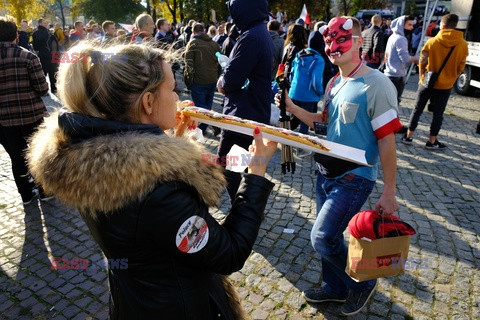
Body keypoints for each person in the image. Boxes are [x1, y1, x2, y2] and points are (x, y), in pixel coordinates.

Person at [27, 41, 277, 319]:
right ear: (148, 102)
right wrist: (255, 173)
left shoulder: (85, 151)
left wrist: (172, 140)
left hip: (134, 302)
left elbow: (147, 229)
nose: (178, 96)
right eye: (172, 89)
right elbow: (229, 252)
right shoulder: (160, 193)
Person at [277, 17, 401, 316]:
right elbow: (323, 123)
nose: (333, 46)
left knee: (320, 236)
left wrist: (390, 191)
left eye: (341, 39)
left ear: (359, 42)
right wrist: (293, 108)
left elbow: (386, 141)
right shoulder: (335, 82)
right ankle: (334, 288)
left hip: (355, 177)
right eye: (329, 40)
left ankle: (360, 283)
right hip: (325, 174)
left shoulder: (377, 84)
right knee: (329, 238)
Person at [217, 0, 274, 202]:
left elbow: (231, 80)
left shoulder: (251, 37)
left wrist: (222, 81)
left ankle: (244, 214)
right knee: (237, 170)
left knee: (230, 170)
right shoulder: (259, 32)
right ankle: (245, 212)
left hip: (240, 118)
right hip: (248, 114)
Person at [0, 16, 50, 204]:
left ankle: (26, 195)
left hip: (4, 119)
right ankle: (44, 191)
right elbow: (43, 89)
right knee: (38, 152)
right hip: (32, 115)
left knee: (16, 156)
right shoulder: (28, 56)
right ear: (16, 35)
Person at [401, 14, 468, 150]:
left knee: (417, 109)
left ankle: (409, 136)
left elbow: (422, 60)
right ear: (455, 26)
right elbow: (461, 66)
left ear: (442, 26)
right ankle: (432, 141)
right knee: (438, 113)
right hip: (446, 85)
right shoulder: (462, 44)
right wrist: (451, 77)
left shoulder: (432, 42)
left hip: (427, 81)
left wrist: (421, 76)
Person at [183, 23, 221, 134]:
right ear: (204, 31)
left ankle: (205, 127)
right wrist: (216, 75)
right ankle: (210, 125)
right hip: (212, 79)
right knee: (207, 105)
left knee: (201, 108)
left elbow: (188, 64)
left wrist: (188, 81)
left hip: (198, 81)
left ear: (193, 32)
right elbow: (220, 61)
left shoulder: (193, 43)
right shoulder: (214, 44)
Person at [32, 18, 56, 93]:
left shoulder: (35, 33)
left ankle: (43, 89)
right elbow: (52, 44)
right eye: (44, 23)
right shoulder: (47, 32)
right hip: (49, 54)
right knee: (51, 72)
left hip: (42, 54)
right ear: (40, 24)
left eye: (46, 23)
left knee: (43, 73)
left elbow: (35, 46)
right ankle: (53, 88)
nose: (46, 24)